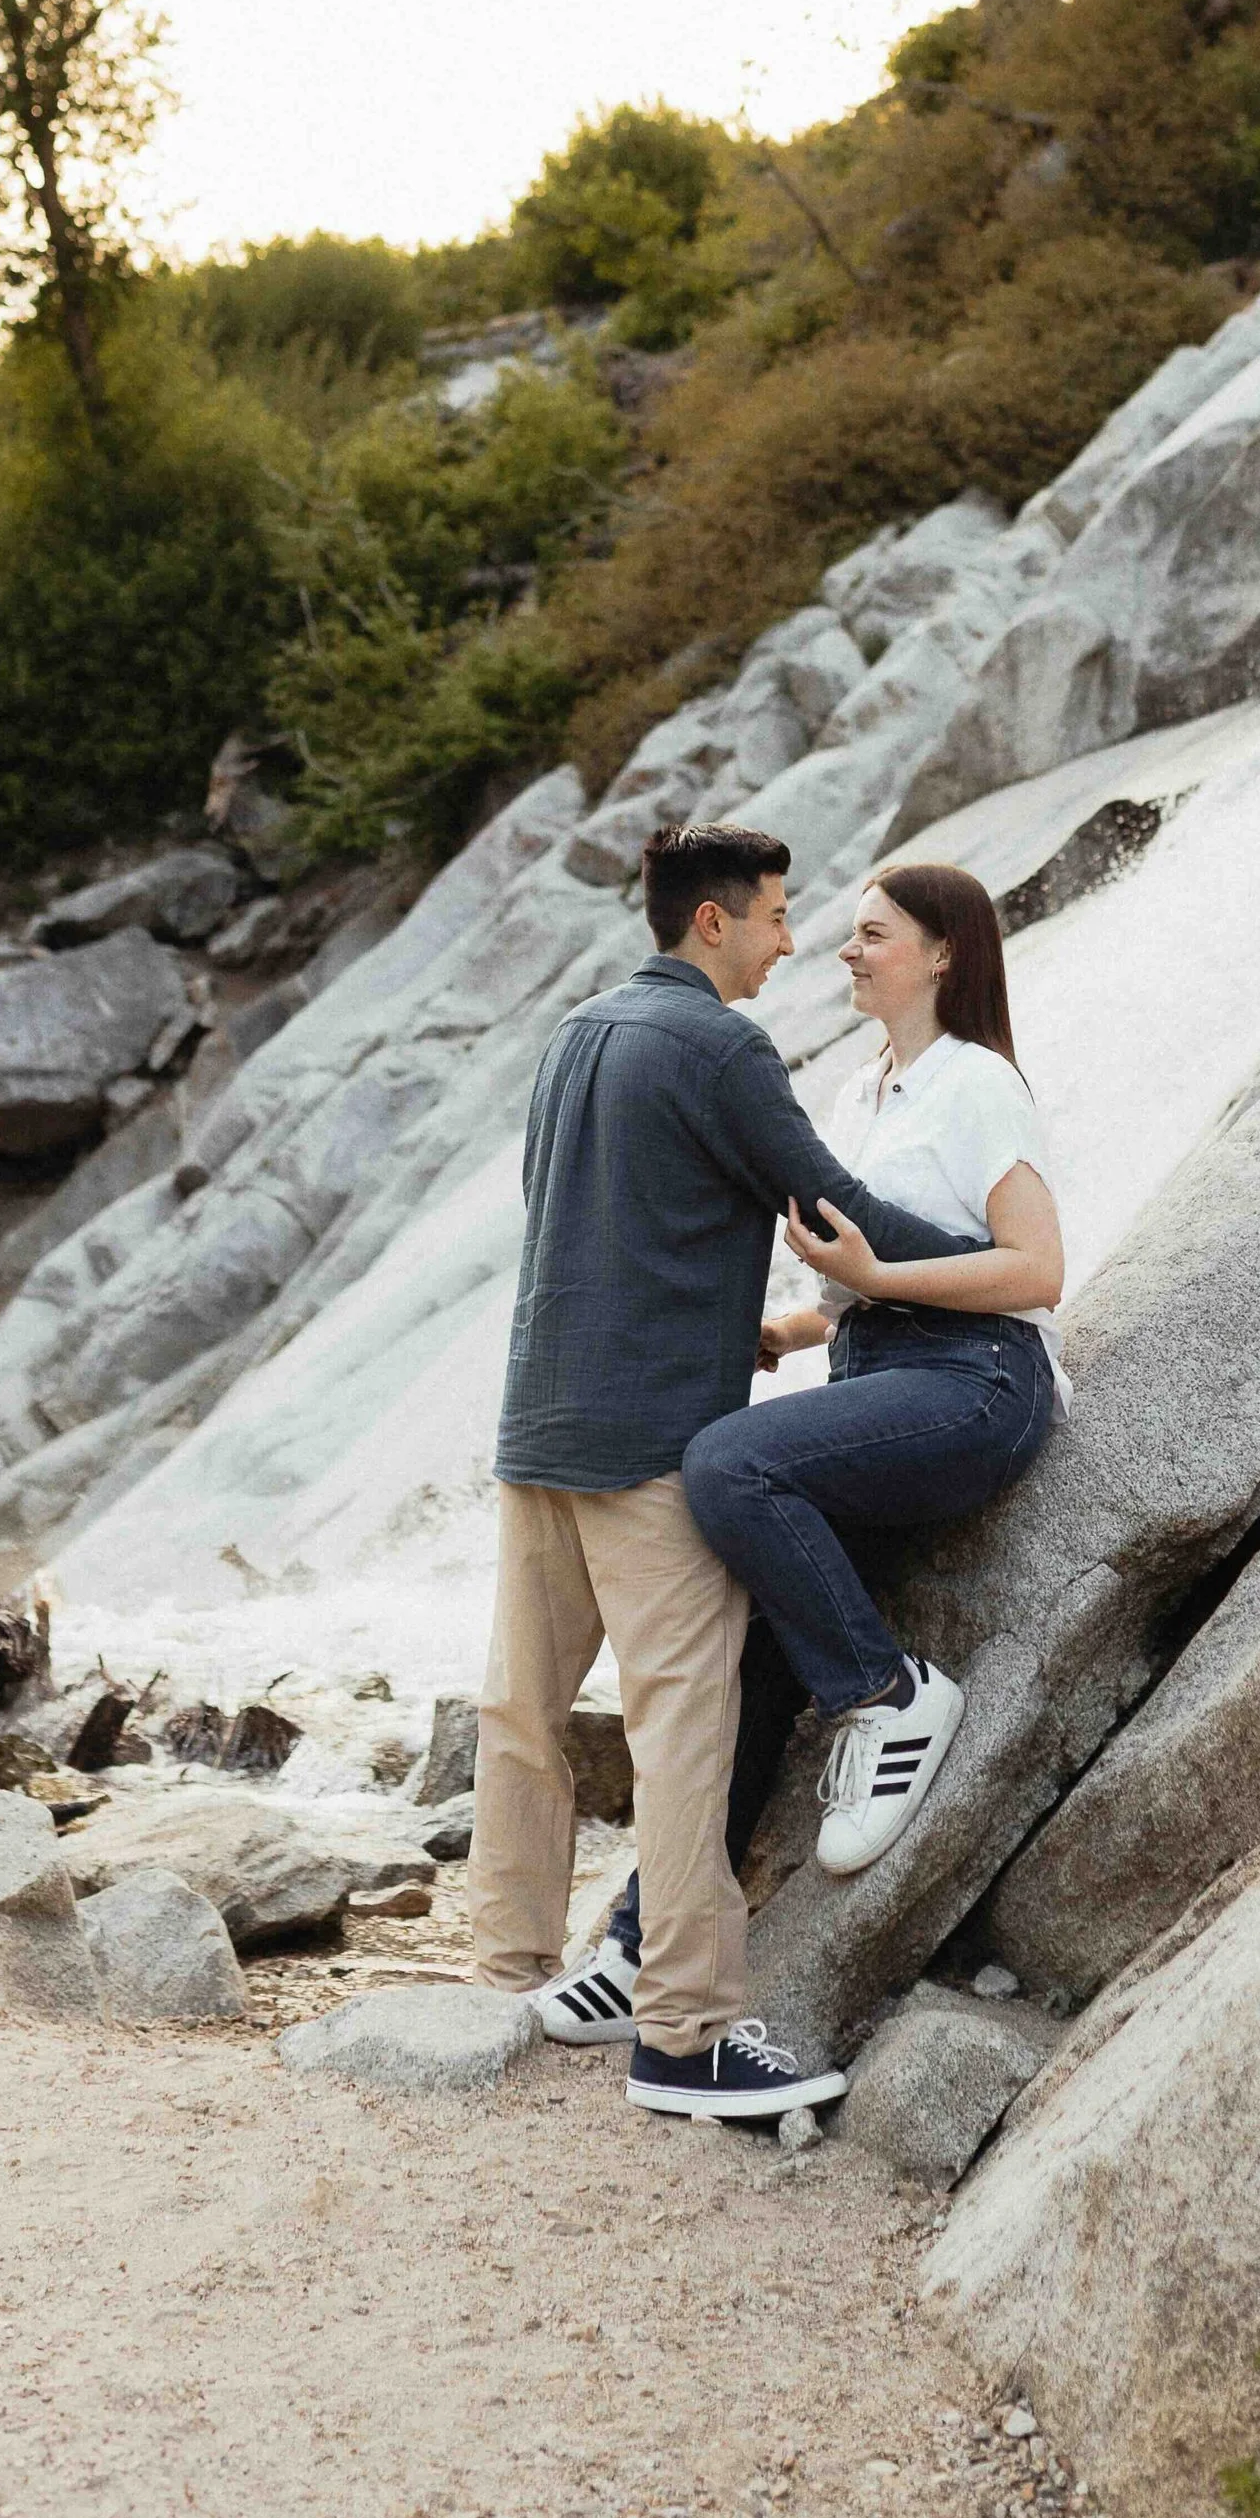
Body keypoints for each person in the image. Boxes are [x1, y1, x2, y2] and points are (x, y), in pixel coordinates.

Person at [469, 821, 983, 2122]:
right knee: (685, 1738)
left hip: (541, 1429)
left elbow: (597, 1215)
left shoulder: (577, 1034)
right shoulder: (718, 1044)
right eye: (773, 914)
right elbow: (826, 1205)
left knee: (521, 1717)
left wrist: (743, 1324)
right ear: (713, 921)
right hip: (648, 1449)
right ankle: (686, 2034)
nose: (790, 938)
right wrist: (993, 1273)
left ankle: (503, 1980)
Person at [535, 862, 1059, 2043]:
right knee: (749, 1666)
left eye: (873, 936)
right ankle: (639, 1950)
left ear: (941, 956)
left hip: (974, 1383)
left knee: (729, 1465)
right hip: (883, 1370)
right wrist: (808, 1322)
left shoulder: (977, 1084)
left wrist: (870, 1283)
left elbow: (1034, 1272)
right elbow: (873, 1276)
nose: (845, 951)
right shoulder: (875, 1087)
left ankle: (889, 1693)